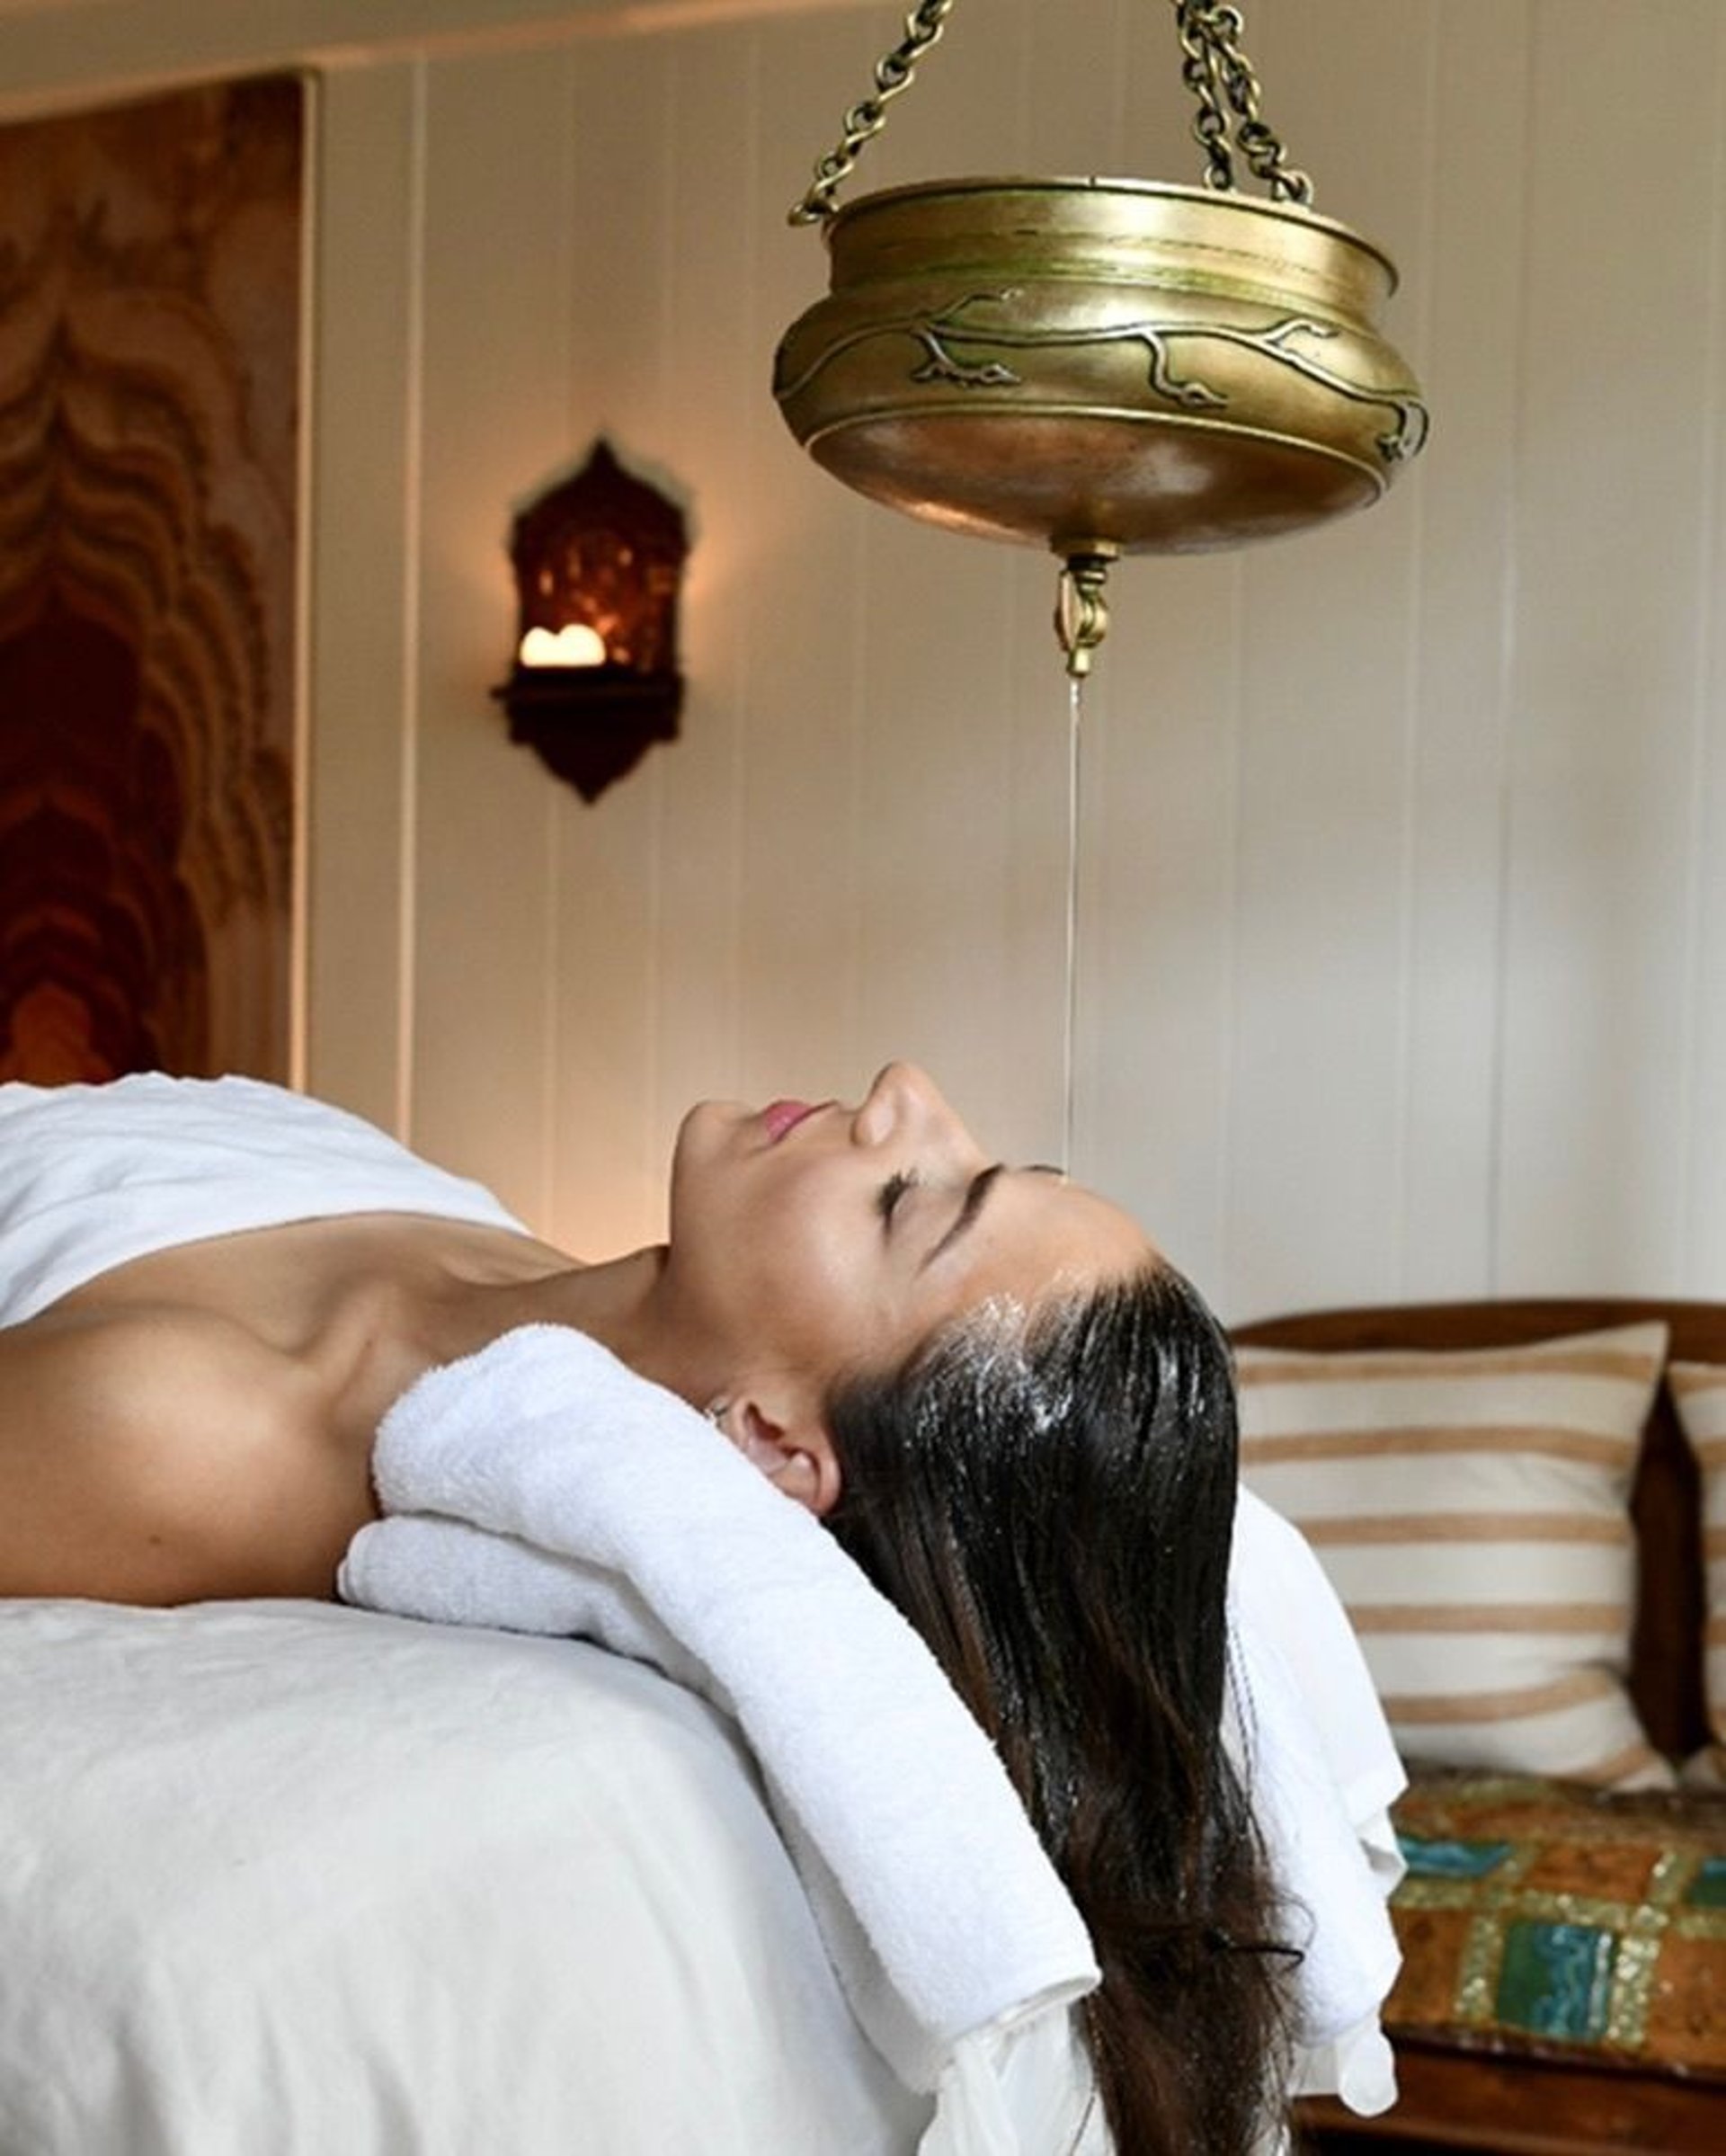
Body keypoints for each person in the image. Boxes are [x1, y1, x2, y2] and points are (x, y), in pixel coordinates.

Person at [0, 1061, 1294, 2154]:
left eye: (909, 1202)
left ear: (780, 1449)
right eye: (971, 1154)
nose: (909, 1090)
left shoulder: (185, 1426)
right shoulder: (557, 1279)